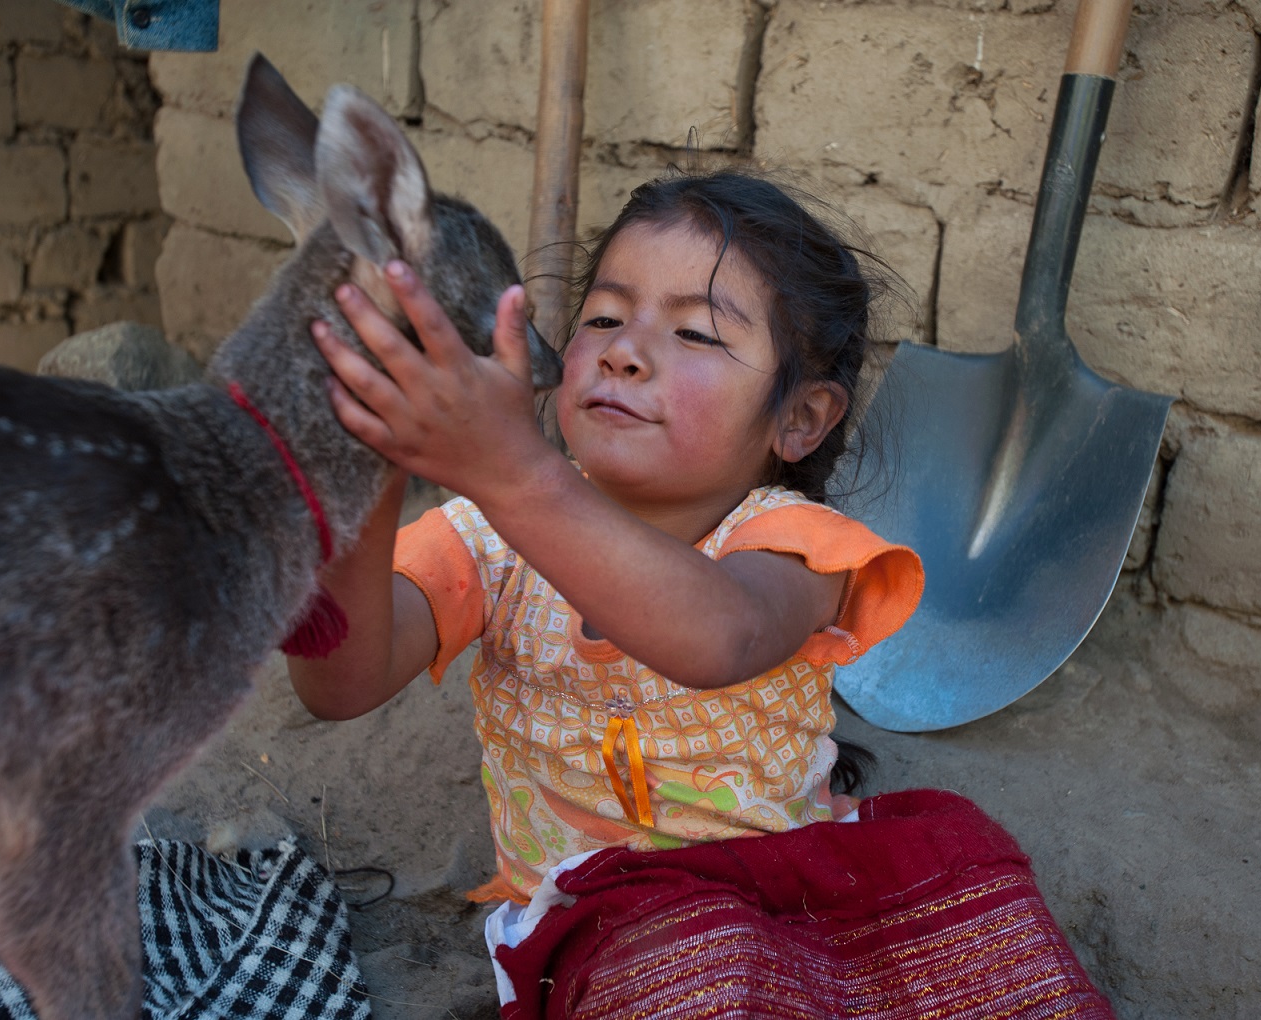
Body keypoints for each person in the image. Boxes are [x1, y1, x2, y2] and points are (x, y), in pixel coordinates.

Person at [290, 169, 1112, 1018]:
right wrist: (362, 475)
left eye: (693, 332)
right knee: (702, 968)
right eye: (602, 318)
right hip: (606, 915)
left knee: (971, 902)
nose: (623, 349)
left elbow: (718, 639)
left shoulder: (790, 544)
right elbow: (339, 684)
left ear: (799, 420)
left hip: (786, 881)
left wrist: (517, 475)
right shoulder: (483, 537)